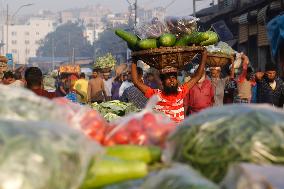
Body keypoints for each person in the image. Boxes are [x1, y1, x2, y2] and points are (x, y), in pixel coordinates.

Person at [131, 50, 207, 122]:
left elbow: (197, 76)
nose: (171, 80)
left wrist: (203, 56)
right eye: (168, 78)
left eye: (173, 77)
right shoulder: (155, 95)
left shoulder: (181, 92)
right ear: (163, 82)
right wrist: (134, 60)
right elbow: (136, 82)